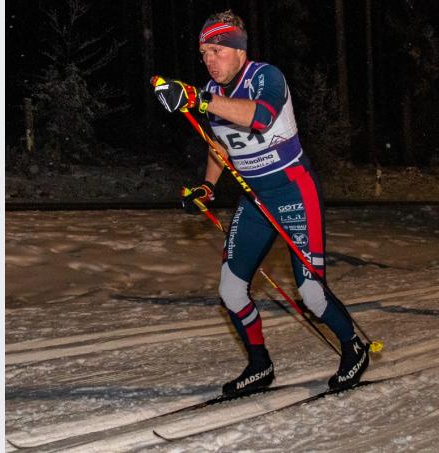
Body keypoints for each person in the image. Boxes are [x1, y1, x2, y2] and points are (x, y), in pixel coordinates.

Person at [151, 10, 368, 395]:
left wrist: (199, 100)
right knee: (231, 288)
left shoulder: (266, 77)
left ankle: (354, 347)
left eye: (216, 50)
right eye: (203, 53)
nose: (209, 60)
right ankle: (259, 365)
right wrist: (206, 186)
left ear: (237, 50)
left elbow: (261, 118)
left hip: (294, 192)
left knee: (311, 292)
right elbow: (220, 148)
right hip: (255, 200)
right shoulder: (210, 93)